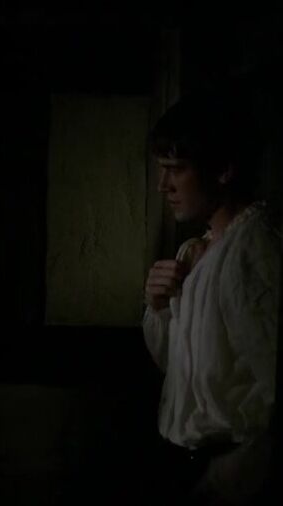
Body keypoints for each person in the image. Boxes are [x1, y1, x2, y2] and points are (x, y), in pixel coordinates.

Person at [142, 88, 281, 505]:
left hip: (228, 471)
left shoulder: (252, 251)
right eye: (162, 169)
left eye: (177, 169)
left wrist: (235, 472)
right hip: (187, 463)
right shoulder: (196, 250)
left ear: (223, 170)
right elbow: (179, 368)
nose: (163, 185)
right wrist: (160, 308)